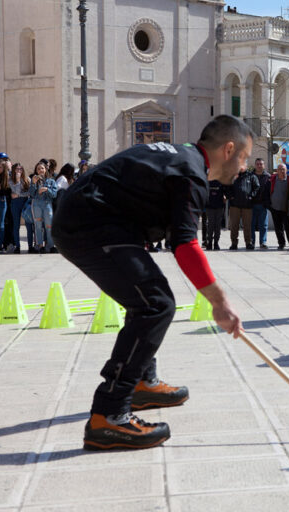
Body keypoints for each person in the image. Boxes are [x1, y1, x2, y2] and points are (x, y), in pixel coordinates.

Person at [52, 115, 247, 450]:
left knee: (147, 298)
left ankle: (142, 382)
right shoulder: (191, 173)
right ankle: (109, 416)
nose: (243, 167)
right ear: (229, 149)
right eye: (243, 158)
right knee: (155, 304)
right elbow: (185, 245)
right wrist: (220, 302)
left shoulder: (181, 156)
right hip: (89, 225)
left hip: (92, 221)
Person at [226, 166, 259, 250]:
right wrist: (230, 196)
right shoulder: (233, 176)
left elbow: (257, 187)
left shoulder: (251, 176)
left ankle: (248, 243)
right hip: (234, 205)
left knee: (247, 226)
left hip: (247, 205)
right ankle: (234, 243)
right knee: (234, 225)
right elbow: (226, 187)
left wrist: (251, 196)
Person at [29, 161, 58, 253]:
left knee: (49, 225)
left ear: (46, 169)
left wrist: (47, 189)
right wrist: (33, 184)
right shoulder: (34, 180)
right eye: (38, 169)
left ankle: (50, 245)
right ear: (36, 171)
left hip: (47, 204)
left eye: (42, 168)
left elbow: (54, 194)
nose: (40, 170)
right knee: (38, 225)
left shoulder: (51, 181)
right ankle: (40, 245)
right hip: (36, 203)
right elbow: (31, 194)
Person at [269, 163, 289, 250]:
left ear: (286, 170)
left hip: (286, 208)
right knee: (278, 227)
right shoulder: (272, 179)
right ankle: (281, 243)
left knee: (288, 226)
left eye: (283, 169)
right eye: (280, 169)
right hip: (275, 207)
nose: (282, 171)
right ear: (277, 171)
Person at [9, 163, 32, 253]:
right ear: (14, 170)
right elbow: (17, 191)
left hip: (25, 202)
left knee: (28, 224)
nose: (19, 171)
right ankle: (17, 246)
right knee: (16, 225)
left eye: (21, 169)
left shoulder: (28, 179)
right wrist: (18, 181)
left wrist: (18, 195)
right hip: (15, 204)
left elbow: (29, 193)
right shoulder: (11, 180)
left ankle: (30, 246)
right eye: (17, 169)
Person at [250, 158, 271, 249]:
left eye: (261, 164)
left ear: (264, 165)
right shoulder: (250, 176)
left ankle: (263, 242)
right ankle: (251, 242)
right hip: (252, 204)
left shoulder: (268, 177)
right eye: (257, 164)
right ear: (255, 165)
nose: (259, 166)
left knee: (264, 225)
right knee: (251, 224)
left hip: (263, 204)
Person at [205, 177, 226, 251]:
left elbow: (226, 190)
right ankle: (209, 242)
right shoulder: (207, 179)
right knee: (210, 225)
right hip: (209, 206)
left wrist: (225, 195)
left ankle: (216, 242)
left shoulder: (222, 180)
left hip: (219, 206)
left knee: (217, 225)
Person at [0, 158, 10, 252]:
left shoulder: (6, 177)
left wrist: (0, 188)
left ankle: (0, 245)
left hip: (2, 200)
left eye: (0, 167)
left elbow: (8, 192)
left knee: (1, 224)